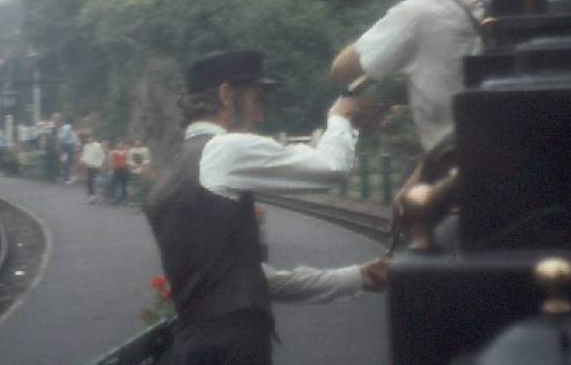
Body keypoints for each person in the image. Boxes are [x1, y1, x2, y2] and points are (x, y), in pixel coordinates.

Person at [145, 49, 389, 365]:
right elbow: (331, 168)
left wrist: (357, 278)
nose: (261, 117)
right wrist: (340, 118)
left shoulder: (173, 172)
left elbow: (254, 280)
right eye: (258, 101)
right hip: (235, 348)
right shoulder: (223, 150)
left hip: (192, 346)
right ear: (226, 95)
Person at [330, 0, 484, 207]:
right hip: (482, 153)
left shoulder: (415, 14)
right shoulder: (476, 4)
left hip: (453, 164)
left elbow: (342, 69)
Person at [79, 133, 106, 203]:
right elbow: (84, 155)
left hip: (95, 166)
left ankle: (93, 195)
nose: (89, 139)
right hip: (88, 165)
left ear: (93, 138)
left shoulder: (97, 145)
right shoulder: (86, 146)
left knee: (93, 180)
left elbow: (101, 155)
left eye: (90, 138)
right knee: (89, 181)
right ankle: (91, 195)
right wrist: (83, 161)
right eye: (88, 138)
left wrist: (99, 164)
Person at [109, 140, 131, 204]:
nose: (119, 146)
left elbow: (128, 160)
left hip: (124, 169)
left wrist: (128, 168)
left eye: (120, 144)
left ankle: (124, 198)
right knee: (116, 183)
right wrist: (111, 169)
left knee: (124, 184)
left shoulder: (126, 152)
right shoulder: (114, 152)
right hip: (116, 169)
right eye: (118, 145)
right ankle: (116, 198)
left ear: (122, 145)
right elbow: (112, 160)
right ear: (116, 146)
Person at [57, 116, 78, 183]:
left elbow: (62, 136)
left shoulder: (65, 127)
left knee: (65, 161)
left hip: (65, 145)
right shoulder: (68, 127)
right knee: (68, 161)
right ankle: (67, 178)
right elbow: (65, 136)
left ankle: (65, 177)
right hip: (68, 146)